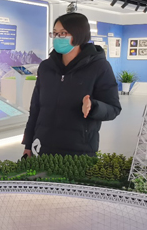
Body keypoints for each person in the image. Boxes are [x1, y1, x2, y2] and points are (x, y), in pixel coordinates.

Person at [22, 13, 121, 157]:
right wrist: (28, 143)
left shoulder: (99, 67)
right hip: (42, 146)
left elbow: (113, 108)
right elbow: (36, 108)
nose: (57, 38)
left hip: (79, 149)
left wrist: (93, 107)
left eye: (63, 33)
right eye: (55, 33)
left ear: (79, 34)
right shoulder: (46, 67)